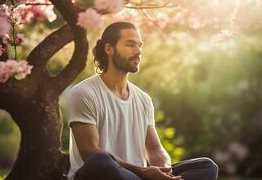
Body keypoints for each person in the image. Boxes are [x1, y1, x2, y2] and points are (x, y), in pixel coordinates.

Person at [65, 22, 218, 180]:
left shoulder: (143, 99)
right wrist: (143, 172)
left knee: (207, 166)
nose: (138, 51)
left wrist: (164, 172)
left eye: (140, 45)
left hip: (136, 176)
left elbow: (154, 150)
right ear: (109, 49)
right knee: (100, 161)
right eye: (130, 44)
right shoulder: (83, 93)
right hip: (103, 174)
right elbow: (90, 152)